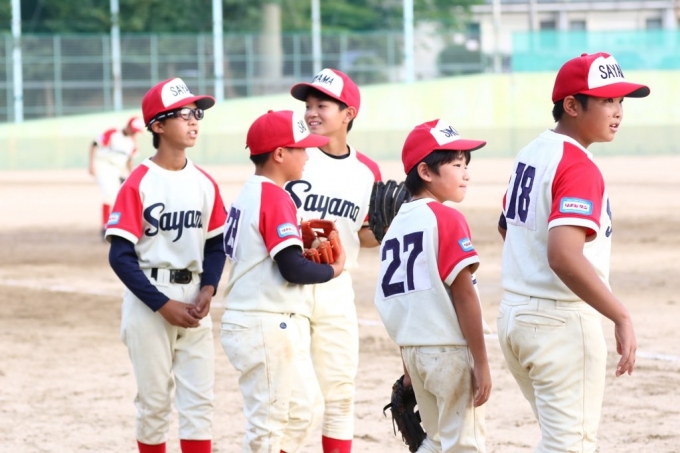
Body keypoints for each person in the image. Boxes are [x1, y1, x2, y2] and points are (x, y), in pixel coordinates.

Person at [496, 52, 649, 452]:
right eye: (607, 100)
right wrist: (620, 314)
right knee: (570, 445)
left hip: (515, 316)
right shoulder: (578, 165)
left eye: (621, 101)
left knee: (560, 440)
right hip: (558, 321)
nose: (618, 111)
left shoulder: (531, 152)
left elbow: (507, 226)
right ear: (571, 105)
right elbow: (563, 255)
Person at [105, 77, 227, 453]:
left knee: (199, 403)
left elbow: (216, 244)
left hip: (194, 297)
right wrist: (161, 304)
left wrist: (208, 288)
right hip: (149, 297)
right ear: (157, 126)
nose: (193, 120)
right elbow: (120, 255)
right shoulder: (139, 182)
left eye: (197, 114)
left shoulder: (204, 182)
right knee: (154, 402)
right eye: (183, 114)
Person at [220, 109, 347, 453]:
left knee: (304, 410)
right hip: (262, 321)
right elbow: (292, 269)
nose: (307, 155)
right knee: (269, 425)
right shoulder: (274, 196)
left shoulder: (251, 192)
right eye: (301, 148)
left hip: (266, 319)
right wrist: (334, 269)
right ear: (279, 154)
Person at [374, 119, 492, 452]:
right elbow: (464, 296)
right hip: (449, 351)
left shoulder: (394, 228)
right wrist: (481, 363)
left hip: (415, 353)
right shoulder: (446, 218)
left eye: (466, 165)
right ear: (425, 171)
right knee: (464, 445)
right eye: (457, 165)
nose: (466, 174)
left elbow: (404, 303)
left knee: (436, 442)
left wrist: (408, 366)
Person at [285, 68, 382, 453]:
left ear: (348, 114)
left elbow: (363, 235)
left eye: (321, 105)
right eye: (308, 105)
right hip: (289, 283)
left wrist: (389, 225)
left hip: (337, 287)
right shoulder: (293, 155)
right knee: (295, 402)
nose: (311, 112)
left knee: (340, 393)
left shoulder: (366, 171)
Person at [88, 115, 145, 237]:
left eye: (136, 131)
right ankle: (105, 226)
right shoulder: (113, 133)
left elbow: (129, 160)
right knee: (108, 194)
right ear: (128, 126)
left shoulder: (132, 142)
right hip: (102, 164)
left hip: (116, 169)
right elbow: (94, 144)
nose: (134, 133)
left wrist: (131, 175)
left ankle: (113, 224)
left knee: (115, 196)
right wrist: (91, 164)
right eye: (133, 130)